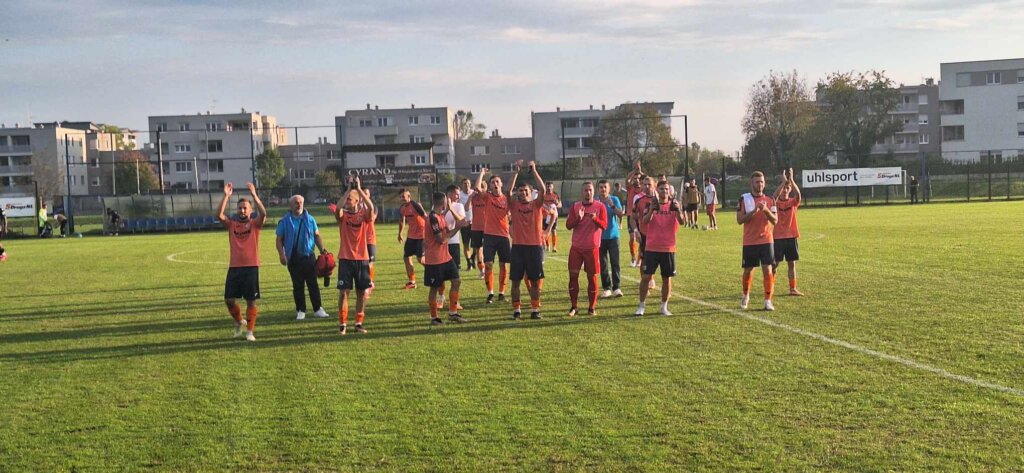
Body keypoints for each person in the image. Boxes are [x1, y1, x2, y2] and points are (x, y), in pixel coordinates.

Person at [217, 182, 266, 342]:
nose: (242, 210)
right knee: (229, 300)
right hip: (235, 267)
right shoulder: (232, 224)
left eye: (245, 208)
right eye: (240, 208)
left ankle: (249, 332)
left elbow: (264, 214)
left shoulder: (254, 224)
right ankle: (239, 321)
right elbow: (219, 215)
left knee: (251, 301)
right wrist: (226, 196)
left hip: (251, 267)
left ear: (250, 210)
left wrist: (254, 196)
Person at [276, 194, 329, 320]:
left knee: (313, 284)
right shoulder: (284, 221)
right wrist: (281, 254)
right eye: (295, 202)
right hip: (293, 258)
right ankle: (301, 310)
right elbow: (279, 239)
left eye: (300, 202)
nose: (298, 204)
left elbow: (316, 236)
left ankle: (318, 309)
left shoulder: (310, 219)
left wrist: (322, 250)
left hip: (309, 256)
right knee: (297, 285)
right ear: (291, 205)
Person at [636, 180, 686, 316]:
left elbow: (682, 221)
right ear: (657, 191)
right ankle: (641, 305)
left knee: (666, 278)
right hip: (651, 247)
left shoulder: (674, 205)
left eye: (666, 189)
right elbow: (645, 221)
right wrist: (652, 209)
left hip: (668, 248)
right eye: (661, 189)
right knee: (646, 277)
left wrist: (678, 210)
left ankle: (664, 306)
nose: (664, 191)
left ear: (669, 191)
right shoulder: (651, 204)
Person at [334, 178, 375, 335]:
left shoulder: (364, 215)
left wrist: (358, 190)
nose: (346, 202)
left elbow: (370, 207)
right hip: (345, 258)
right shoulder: (343, 215)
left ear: (357, 201)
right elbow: (338, 208)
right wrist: (348, 190)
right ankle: (342, 324)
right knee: (343, 292)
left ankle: (358, 323)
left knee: (361, 293)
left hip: (362, 259)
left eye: (350, 199)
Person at [508, 161, 548, 320]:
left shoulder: (536, 205)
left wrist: (534, 170)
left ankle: (535, 309)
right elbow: (507, 190)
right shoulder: (513, 204)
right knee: (516, 282)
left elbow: (543, 189)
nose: (523, 193)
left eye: (526, 191)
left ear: (531, 193)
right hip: (518, 248)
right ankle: (517, 310)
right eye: (520, 191)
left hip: (534, 247)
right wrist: (516, 172)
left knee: (535, 282)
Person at [565, 181, 608, 317]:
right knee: (573, 277)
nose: (588, 192)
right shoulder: (575, 206)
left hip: (592, 248)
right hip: (576, 248)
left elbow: (604, 225)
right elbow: (568, 225)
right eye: (585, 190)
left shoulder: (600, 206)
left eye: (590, 190)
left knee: (592, 278)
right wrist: (578, 218)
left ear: (593, 192)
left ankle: (591, 308)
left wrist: (595, 219)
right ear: (581, 192)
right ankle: (574, 307)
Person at [424, 191, 467, 325]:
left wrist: (457, 227)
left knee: (456, 280)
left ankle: (453, 313)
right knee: (434, 288)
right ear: (443, 203)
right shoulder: (432, 218)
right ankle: (434, 318)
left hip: (445, 257)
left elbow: (447, 232)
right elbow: (441, 240)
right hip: (434, 260)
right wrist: (458, 227)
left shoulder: (440, 216)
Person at [737, 171, 778, 311]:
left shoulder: (770, 199)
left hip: (766, 240)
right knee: (748, 270)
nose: (759, 184)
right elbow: (739, 220)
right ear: (751, 183)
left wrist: (765, 210)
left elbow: (775, 220)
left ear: (764, 183)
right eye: (757, 182)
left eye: (761, 181)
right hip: (750, 241)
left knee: (768, 270)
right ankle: (745, 295)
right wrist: (754, 210)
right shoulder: (744, 199)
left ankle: (768, 300)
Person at [474, 166, 513, 304]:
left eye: (497, 181)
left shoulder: (507, 199)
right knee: (489, 264)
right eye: (492, 182)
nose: (495, 184)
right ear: (489, 186)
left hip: (503, 236)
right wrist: (482, 173)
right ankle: (490, 293)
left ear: (501, 184)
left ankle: (502, 293)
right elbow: (477, 187)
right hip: (489, 236)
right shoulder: (488, 197)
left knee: (504, 265)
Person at [773, 168, 804, 297]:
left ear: (790, 190)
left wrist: (791, 180)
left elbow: (798, 195)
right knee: (774, 264)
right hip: (778, 238)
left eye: (787, 188)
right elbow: (774, 196)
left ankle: (793, 288)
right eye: (783, 188)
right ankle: (770, 287)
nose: (785, 190)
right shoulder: (775, 203)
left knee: (792, 263)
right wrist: (784, 181)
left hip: (791, 237)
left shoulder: (793, 202)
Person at [597, 179, 625, 298]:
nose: (603, 189)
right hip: (600, 237)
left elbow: (620, 214)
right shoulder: (596, 202)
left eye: (605, 187)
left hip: (613, 236)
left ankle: (617, 287)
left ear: (609, 189)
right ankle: (606, 287)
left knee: (615, 263)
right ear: (598, 189)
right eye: (601, 187)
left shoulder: (614, 199)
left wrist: (612, 206)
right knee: (603, 264)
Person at [631, 176, 657, 289]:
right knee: (644, 260)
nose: (646, 186)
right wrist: (636, 231)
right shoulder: (638, 199)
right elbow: (633, 217)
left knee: (657, 261)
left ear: (654, 185)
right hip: (645, 234)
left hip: (659, 236)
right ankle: (644, 282)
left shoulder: (661, 198)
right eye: (644, 184)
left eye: (649, 184)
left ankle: (652, 278)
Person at [398, 189, 427, 289]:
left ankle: (433, 270)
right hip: (411, 236)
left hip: (421, 235)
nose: (401, 198)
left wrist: (430, 232)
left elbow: (425, 217)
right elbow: (402, 221)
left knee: (420, 259)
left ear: (409, 196)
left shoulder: (415, 205)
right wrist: (400, 234)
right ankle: (412, 282)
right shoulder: (402, 208)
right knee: (406, 258)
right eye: (400, 196)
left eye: (403, 196)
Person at [467, 176, 487, 278]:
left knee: (486, 250)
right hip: (475, 228)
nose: (479, 190)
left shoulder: (488, 197)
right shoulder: (474, 198)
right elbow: (466, 208)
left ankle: (487, 269)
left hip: (487, 228)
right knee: (478, 250)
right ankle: (482, 271)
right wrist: (470, 196)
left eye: (482, 187)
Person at [458, 178, 476, 269]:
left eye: (468, 183)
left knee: (476, 245)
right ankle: (469, 263)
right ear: (462, 185)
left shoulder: (474, 193)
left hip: (475, 223)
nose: (466, 185)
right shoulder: (460, 195)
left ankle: (473, 257)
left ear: (470, 184)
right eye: (464, 183)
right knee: (466, 244)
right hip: (464, 223)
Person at [542, 182, 562, 252]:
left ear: (552, 187)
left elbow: (560, 205)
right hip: (544, 216)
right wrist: (545, 207)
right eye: (547, 186)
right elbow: (540, 204)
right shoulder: (543, 195)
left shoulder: (555, 195)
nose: (548, 188)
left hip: (553, 216)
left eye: (550, 186)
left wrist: (555, 205)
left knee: (554, 231)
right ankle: (547, 246)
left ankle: (554, 247)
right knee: (545, 231)